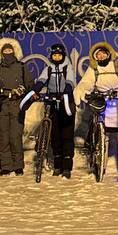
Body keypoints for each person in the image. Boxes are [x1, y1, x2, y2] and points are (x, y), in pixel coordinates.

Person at [76, 42, 118, 173]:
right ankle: (102, 163)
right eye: (98, 55)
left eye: (103, 53)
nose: (101, 56)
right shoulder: (93, 68)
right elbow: (86, 82)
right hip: (102, 101)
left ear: (108, 53)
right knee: (104, 133)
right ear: (95, 57)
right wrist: (83, 90)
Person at [0, 40, 34, 175]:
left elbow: (30, 84)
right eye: (5, 51)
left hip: (16, 104)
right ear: (1, 53)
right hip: (2, 104)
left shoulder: (22, 67)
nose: (8, 53)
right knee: (3, 136)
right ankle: (5, 166)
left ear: (15, 51)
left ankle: (18, 165)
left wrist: (22, 90)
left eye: (10, 50)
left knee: (15, 136)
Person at [30, 42, 77, 178]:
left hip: (66, 102)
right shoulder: (49, 68)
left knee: (66, 135)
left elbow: (70, 82)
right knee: (55, 135)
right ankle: (57, 165)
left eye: (59, 55)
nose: (57, 57)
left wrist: (66, 93)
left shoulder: (68, 67)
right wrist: (36, 90)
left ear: (63, 56)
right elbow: (41, 80)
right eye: (54, 55)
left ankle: (67, 167)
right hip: (52, 102)